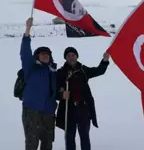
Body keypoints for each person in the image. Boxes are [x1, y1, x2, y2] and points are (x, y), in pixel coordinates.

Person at [55, 47, 110, 150]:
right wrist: (61, 94)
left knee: (84, 136)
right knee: (69, 137)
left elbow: (99, 71)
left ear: (77, 56)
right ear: (65, 58)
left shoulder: (83, 70)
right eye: (68, 56)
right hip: (68, 110)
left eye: (73, 55)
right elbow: (55, 91)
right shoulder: (61, 72)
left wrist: (105, 60)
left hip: (83, 109)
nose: (71, 57)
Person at [20, 17, 58, 150]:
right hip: (32, 112)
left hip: (49, 113)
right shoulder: (31, 67)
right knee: (32, 144)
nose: (46, 55)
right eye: (42, 53)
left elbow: (55, 90)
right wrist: (28, 30)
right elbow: (25, 52)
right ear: (37, 56)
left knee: (47, 144)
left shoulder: (53, 71)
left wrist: (62, 94)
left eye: (48, 54)